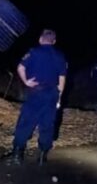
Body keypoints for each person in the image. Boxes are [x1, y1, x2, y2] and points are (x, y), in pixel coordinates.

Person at [4, 29, 67, 165]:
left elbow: (20, 67)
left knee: (26, 122)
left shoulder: (33, 52)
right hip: (52, 93)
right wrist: (59, 97)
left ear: (40, 39)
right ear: (54, 41)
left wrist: (26, 81)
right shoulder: (59, 56)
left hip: (36, 92)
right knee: (47, 124)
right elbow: (62, 79)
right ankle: (42, 155)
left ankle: (18, 154)